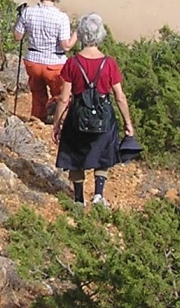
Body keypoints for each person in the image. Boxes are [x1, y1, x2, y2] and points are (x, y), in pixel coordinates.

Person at [51, 13, 135, 206]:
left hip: (77, 117)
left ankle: (79, 199)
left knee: (75, 155)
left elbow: (64, 98)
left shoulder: (72, 63)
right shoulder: (109, 63)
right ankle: (98, 195)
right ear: (101, 35)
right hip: (104, 117)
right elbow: (120, 97)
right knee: (103, 153)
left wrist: (56, 124)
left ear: (81, 34)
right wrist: (128, 123)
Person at [13, 0, 76, 122]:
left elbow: (17, 36)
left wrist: (19, 18)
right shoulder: (61, 17)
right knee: (60, 95)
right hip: (54, 63)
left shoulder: (28, 12)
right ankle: (59, 121)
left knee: (37, 93)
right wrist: (76, 35)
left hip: (33, 61)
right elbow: (66, 46)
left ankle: (37, 119)